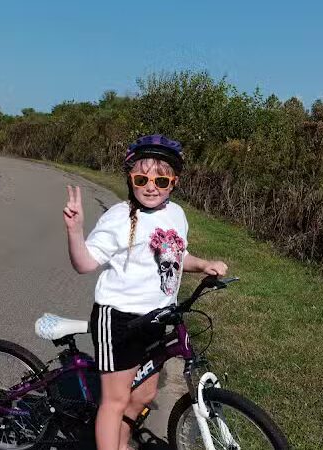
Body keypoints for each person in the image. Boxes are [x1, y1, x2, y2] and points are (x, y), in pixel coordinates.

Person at [62, 134, 228, 450]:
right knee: (115, 399)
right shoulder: (118, 218)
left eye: (161, 180)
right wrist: (75, 231)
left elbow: (176, 257)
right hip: (119, 321)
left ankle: (122, 443)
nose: (151, 187)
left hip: (157, 318)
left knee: (145, 394)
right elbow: (84, 263)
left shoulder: (176, 214)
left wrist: (203, 264)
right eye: (142, 178)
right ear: (130, 179)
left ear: (173, 182)